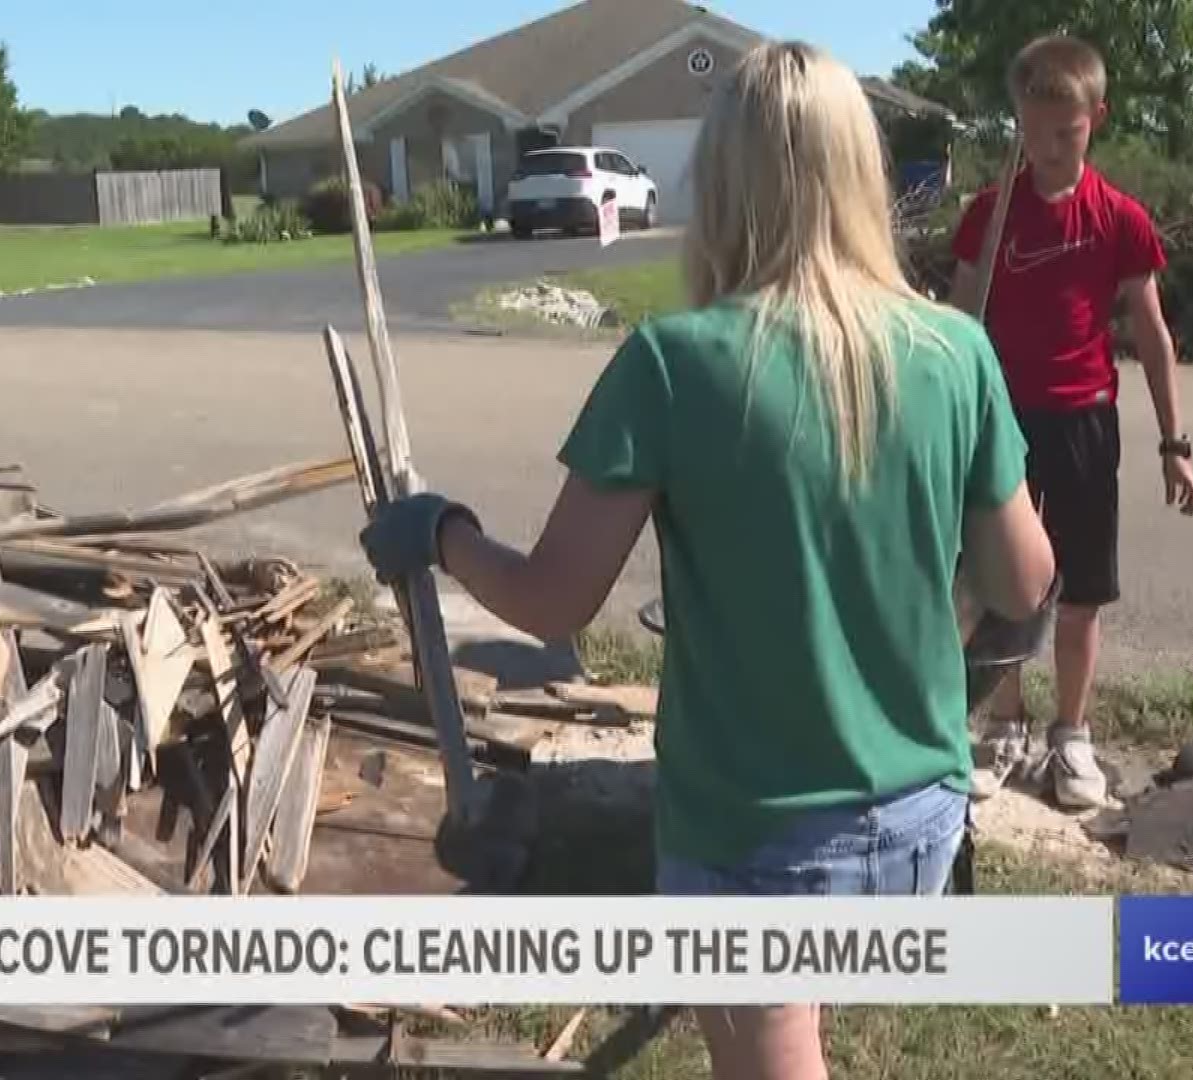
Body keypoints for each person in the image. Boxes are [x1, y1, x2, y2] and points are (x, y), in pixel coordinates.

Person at [360, 41, 1056, 1080]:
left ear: (723, 182)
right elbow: (1023, 588)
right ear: (858, 174)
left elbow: (555, 601)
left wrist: (443, 533)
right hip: (921, 824)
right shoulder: (957, 353)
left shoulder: (674, 364)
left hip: (754, 847)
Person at [949, 35, 1193, 811]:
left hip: (1087, 424)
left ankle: (1071, 734)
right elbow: (959, 323)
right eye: (1034, 130)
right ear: (1017, 122)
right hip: (1002, 426)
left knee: (1082, 592)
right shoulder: (990, 215)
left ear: (1099, 117)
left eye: (1068, 131)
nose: (1051, 148)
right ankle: (1005, 724)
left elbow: (1153, 337)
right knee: (1002, 584)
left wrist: (1175, 444)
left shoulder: (1120, 219)